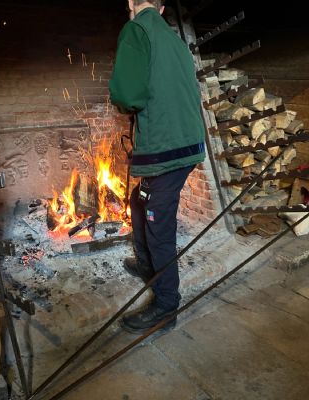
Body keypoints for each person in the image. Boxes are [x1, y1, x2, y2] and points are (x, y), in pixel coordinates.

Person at [109, 0, 206, 334]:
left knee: (158, 225)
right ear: (162, 9)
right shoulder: (175, 40)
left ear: (130, 4)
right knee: (139, 201)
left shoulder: (137, 29)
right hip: (188, 145)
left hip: (166, 151)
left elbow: (128, 95)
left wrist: (121, 101)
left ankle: (166, 306)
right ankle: (148, 266)